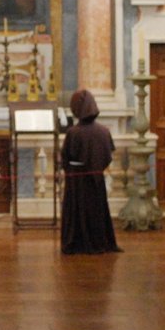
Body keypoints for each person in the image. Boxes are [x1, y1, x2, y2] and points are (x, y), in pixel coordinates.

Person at [60, 88, 121, 254]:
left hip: (77, 182)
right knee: (98, 210)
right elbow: (108, 156)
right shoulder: (103, 131)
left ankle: (77, 242)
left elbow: (66, 157)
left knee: (77, 212)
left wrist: (71, 169)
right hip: (97, 180)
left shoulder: (73, 133)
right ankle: (99, 241)